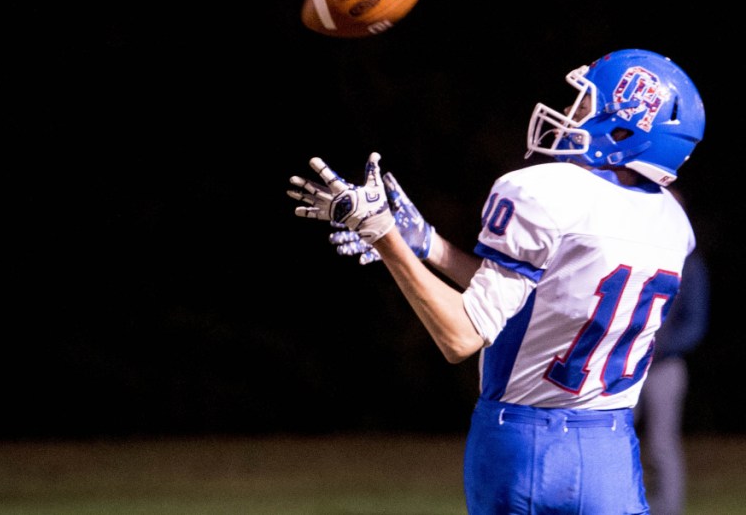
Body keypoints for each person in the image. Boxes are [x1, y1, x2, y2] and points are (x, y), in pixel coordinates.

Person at [287, 48, 705, 514]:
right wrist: (426, 245)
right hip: (610, 449)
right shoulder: (672, 221)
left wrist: (382, 234)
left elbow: (461, 336)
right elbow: (544, 302)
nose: (568, 115)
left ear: (626, 128)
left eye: (584, 105)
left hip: (523, 446)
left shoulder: (546, 190)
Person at [635, 187, 710, 515]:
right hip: (621, 362)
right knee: (610, 433)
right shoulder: (632, 251)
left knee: (661, 445)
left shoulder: (690, 264)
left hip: (665, 366)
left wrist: (659, 348)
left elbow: (694, 324)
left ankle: (668, 510)